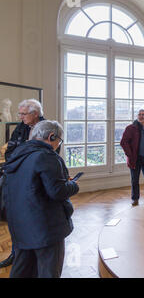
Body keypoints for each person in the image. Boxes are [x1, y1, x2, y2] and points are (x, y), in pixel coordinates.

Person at [2, 120, 79, 278]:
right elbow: (57, 191)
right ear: (52, 136)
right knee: (48, 271)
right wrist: (73, 185)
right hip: (46, 227)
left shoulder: (18, 155)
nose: (59, 145)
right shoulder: (47, 156)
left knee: (22, 269)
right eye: (59, 140)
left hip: (21, 223)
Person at [0, 99, 55, 269]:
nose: (20, 117)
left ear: (35, 114)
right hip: (19, 179)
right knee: (16, 218)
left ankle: (35, 256)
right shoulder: (21, 127)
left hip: (39, 181)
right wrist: (22, 165)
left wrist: (25, 163)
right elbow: (10, 151)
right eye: (20, 113)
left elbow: (51, 153)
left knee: (36, 219)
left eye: (24, 114)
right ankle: (17, 254)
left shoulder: (49, 128)